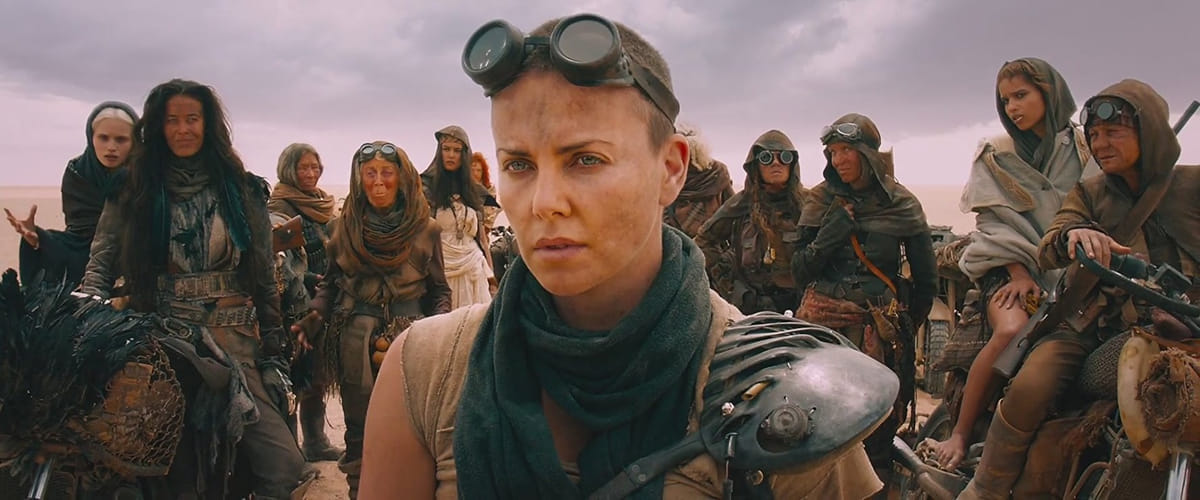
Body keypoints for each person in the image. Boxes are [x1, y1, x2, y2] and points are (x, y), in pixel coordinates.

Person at [359, 14, 885, 499]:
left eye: (586, 160)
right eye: (519, 165)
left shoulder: (779, 395)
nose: (544, 203)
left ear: (671, 169)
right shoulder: (426, 370)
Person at [959, 80, 1199, 499]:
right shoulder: (1090, 191)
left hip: (1185, 322)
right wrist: (1076, 234)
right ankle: (986, 488)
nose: (1101, 144)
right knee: (1032, 385)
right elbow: (1051, 242)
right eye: (1095, 134)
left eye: (1114, 132)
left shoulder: (1192, 186)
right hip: (1096, 324)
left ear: (1149, 133)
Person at [79, 79, 307, 499]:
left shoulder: (241, 187)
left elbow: (262, 277)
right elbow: (101, 260)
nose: (183, 129)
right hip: (163, 344)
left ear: (208, 124)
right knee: (172, 470)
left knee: (284, 467)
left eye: (192, 119)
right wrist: (88, 309)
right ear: (157, 127)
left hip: (236, 345)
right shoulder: (134, 188)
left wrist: (274, 353)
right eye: (172, 120)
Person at [929, 58, 1097, 470]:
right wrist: (1018, 272)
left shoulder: (1084, 149)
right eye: (1006, 100)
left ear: (1049, 93)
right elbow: (992, 222)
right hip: (1006, 265)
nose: (1012, 107)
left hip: (1072, 271)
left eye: (1021, 95)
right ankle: (960, 433)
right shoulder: (996, 154)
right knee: (1010, 329)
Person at [291, 141, 451, 498]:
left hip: (411, 340)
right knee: (359, 428)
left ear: (402, 178)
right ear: (358, 179)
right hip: (354, 338)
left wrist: (440, 329)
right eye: (370, 173)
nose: (378, 182)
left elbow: (439, 290)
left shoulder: (426, 229)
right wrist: (313, 317)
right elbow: (330, 284)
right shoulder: (341, 228)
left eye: (387, 172)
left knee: (409, 424)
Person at [791, 113, 937, 483]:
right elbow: (800, 270)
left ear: (868, 154)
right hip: (822, 329)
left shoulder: (901, 203)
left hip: (878, 332)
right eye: (832, 152)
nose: (838, 159)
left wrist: (899, 329)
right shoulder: (820, 200)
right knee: (814, 414)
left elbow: (926, 282)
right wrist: (831, 232)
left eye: (846, 150)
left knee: (877, 421)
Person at [266, 142, 343, 462]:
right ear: (289, 170)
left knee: (318, 374)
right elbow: (281, 260)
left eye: (315, 167)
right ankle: (292, 453)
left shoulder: (322, 203)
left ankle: (315, 442)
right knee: (296, 375)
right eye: (303, 168)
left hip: (324, 299)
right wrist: (310, 279)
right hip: (295, 303)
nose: (311, 174)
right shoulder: (279, 207)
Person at [5, 102, 137, 288]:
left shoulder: (146, 176)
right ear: (91, 137)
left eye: (121, 139)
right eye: (103, 138)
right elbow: (78, 235)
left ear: (134, 142)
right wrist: (38, 239)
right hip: (85, 253)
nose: (111, 147)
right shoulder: (78, 173)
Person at [695, 129, 806, 314]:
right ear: (756, 166)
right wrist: (728, 284)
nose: (776, 163)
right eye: (766, 158)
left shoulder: (808, 206)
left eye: (784, 157)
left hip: (800, 306)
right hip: (752, 308)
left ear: (792, 164)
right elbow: (704, 241)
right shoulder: (740, 204)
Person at [423, 125, 495, 308]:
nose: (451, 155)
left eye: (456, 150)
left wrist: (492, 276)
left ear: (464, 154)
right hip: (440, 269)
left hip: (473, 268)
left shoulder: (474, 191)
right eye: (446, 149)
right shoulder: (426, 188)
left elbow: (481, 238)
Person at [664, 126, 734, 238]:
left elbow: (733, 211)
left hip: (711, 242)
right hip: (675, 241)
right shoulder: (669, 177)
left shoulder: (717, 175)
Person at [469, 151, 503, 233]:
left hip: (482, 229)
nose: (475, 173)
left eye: (478, 170)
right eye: (472, 170)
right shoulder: (461, 187)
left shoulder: (489, 188)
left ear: (483, 172)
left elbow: (490, 214)